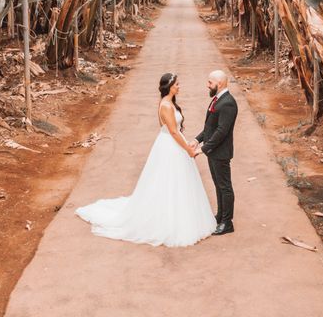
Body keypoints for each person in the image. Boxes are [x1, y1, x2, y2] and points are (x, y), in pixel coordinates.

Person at [75, 73, 217, 247]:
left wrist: (187, 143)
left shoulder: (169, 102)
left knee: (176, 182)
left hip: (173, 143)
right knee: (168, 180)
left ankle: (179, 215)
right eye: (177, 84)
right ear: (170, 86)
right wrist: (187, 148)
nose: (179, 86)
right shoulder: (165, 105)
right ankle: (167, 220)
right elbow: (172, 131)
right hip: (170, 145)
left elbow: (174, 130)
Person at [190, 70, 238, 236]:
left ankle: (227, 222)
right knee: (218, 185)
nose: (207, 85)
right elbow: (210, 127)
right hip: (213, 152)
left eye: (210, 82)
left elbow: (221, 131)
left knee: (225, 187)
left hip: (221, 153)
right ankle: (220, 215)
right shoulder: (217, 100)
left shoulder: (228, 103)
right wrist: (198, 139)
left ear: (220, 83)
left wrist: (202, 149)